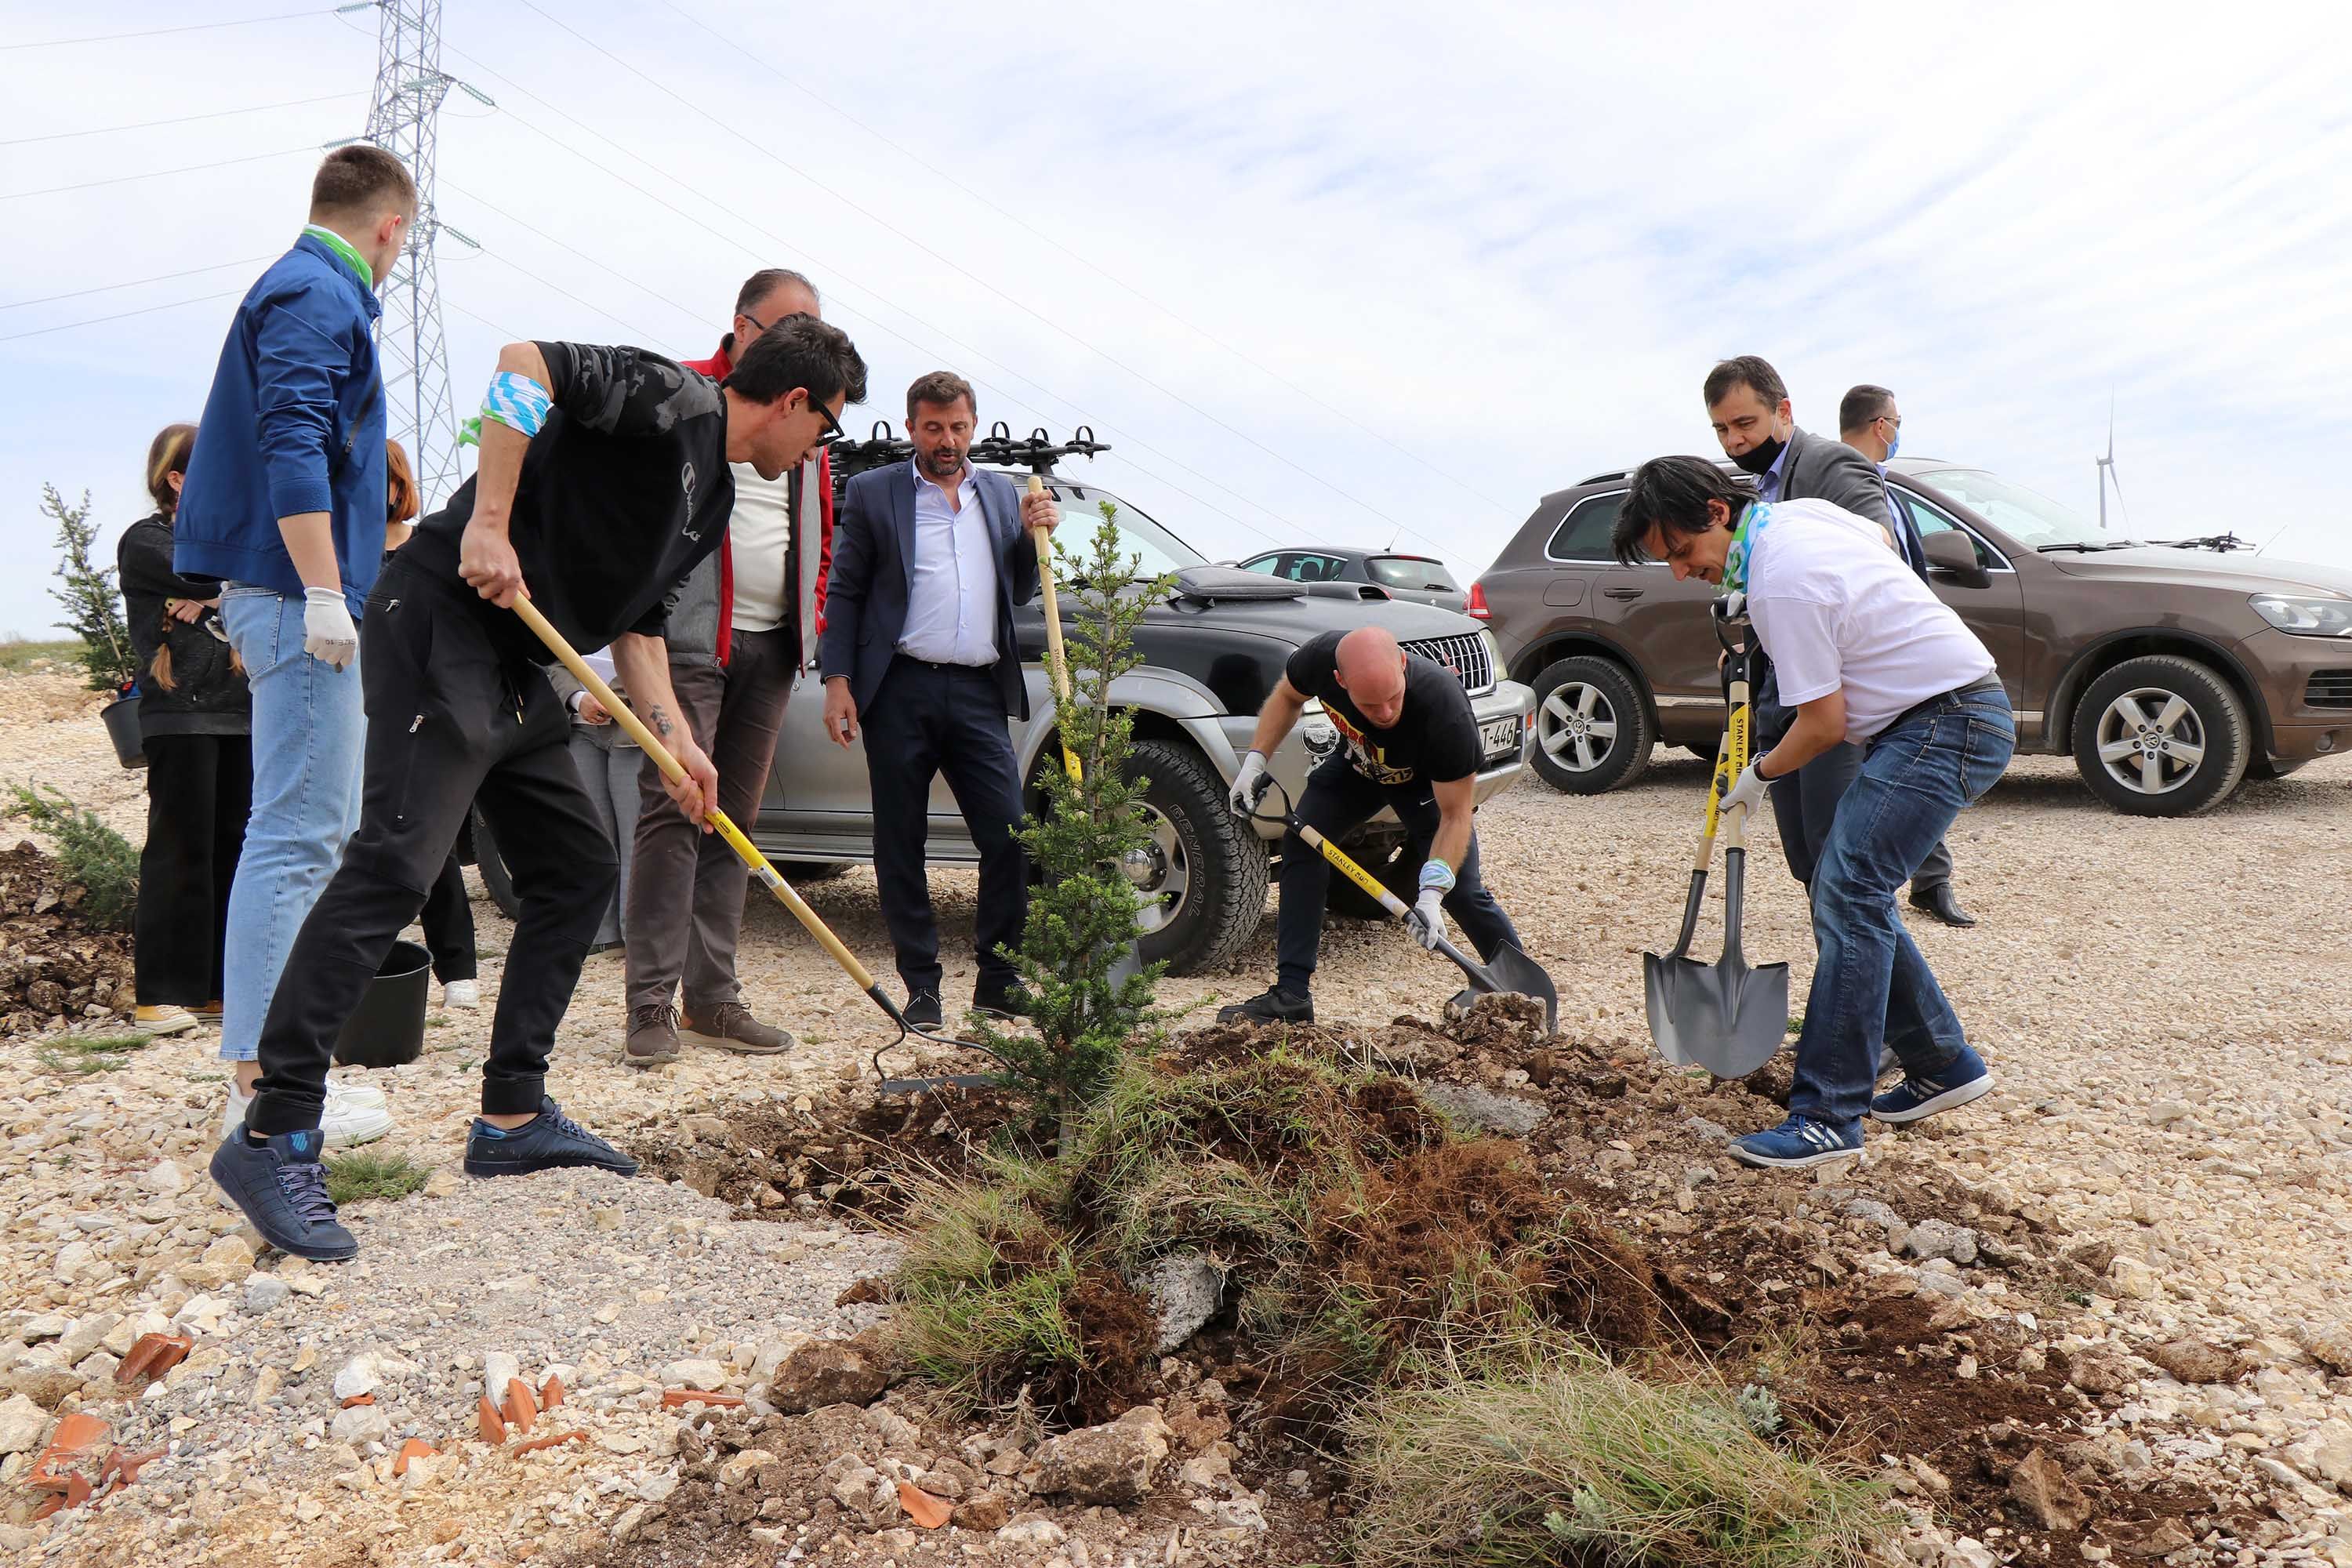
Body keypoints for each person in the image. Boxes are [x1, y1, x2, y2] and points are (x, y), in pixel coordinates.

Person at [209, 315, 869, 1261]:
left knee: (576, 866)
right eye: (826, 427)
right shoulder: (668, 397)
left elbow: (637, 631)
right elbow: (523, 365)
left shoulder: (711, 499)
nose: (819, 451)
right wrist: (487, 519)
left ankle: (512, 1113)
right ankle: (273, 1134)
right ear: (795, 400)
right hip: (444, 616)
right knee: (395, 865)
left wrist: (680, 742)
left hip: (522, 662)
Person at [1611, 456, 2009, 1169]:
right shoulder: (1798, 521)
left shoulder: (1781, 581)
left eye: (1681, 551)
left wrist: (1757, 776)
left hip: (1946, 720)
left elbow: (1823, 724)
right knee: (1852, 889)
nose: (1679, 570)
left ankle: (1828, 1115)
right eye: (1663, 560)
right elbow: (1877, 542)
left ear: (1715, 511)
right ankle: (1943, 1063)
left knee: (1847, 888)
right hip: (1943, 709)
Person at [174, 146, 416, 1148]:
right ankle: (266, 1091)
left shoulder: (304, 286)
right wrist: (324, 587)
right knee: (297, 835)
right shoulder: (319, 291)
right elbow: (292, 439)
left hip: (286, 590)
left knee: (300, 831)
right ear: (392, 229)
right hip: (294, 592)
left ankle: (276, 1078)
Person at [624, 268, 835, 1068]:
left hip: (771, 645)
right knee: (675, 810)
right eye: (791, 326)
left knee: (734, 827)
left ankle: (714, 999)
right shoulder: (688, 394)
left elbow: (816, 532)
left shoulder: (808, 411)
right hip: (686, 644)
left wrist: (808, 618)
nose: (803, 343)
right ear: (743, 326)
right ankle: (650, 1004)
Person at [818, 371, 1059, 1029]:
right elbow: (845, 591)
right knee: (902, 839)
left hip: (979, 688)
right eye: (933, 427)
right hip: (899, 685)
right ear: (911, 429)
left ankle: (998, 981)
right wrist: (836, 680)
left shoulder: (1004, 493)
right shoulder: (875, 491)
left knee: (1010, 834)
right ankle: (921, 987)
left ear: (973, 427)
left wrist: (1036, 535)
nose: (946, 440)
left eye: (957, 427)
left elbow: (1016, 588)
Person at [1701, 358, 1969, 928]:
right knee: (1808, 857)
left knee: (1837, 859)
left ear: (1784, 412)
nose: (1734, 440)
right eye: (1722, 430)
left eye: (1744, 423)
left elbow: (1873, 550)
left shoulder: (1832, 465)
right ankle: (1847, 977)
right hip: (1787, 683)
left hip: (1834, 693)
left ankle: (1865, 993)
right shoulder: (1764, 484)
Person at [1215, 626, 1526, 1025]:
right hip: (1358, 767)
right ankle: (1292, 995)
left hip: (1421, 783)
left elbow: (1455, 815)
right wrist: (1256, 759)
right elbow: (1288, 697)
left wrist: (1430, 893)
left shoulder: (1443, 708)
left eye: (1393, 698)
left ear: (1402, 664)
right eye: (1369, 705)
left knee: (1462, 893)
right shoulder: (1319, 659)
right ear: (1339, 681)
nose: (1385, 713)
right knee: (1302, 845)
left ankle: (1524, 995)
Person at [118, 423, 250, 1040]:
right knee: (179, 849)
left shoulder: (227, 539)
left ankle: (217, 991)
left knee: (235, 850)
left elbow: (256, 577)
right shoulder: (146, 540)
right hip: (181, 713)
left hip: (242, 712)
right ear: (177, 478)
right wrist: (225, 591)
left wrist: (220, 594)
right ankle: (161, 994)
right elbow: (217, 578)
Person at [1835, 383, 1975, 928]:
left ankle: (1927, 881)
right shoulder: (1847, 483)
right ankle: (1862, 890)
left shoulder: (1881, 484)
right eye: (1898, 420)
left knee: (1907, 765)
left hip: (1896, 652)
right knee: (1895, 770)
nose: (1899, 429)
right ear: (1880, 424)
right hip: (1871, 653)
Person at [384, 437, 482, 1010]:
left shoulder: (426, 550)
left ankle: (459, 968)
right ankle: (375, 969)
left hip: (424, 714)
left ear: (401, 487)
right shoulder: (341, 558)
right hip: (366, 712)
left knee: (434, 839)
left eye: (384, 480)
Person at [550, 652, 640, 953]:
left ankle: (637, 938)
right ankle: (602, 936)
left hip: (635, 726)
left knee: (635, 836)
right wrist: (577, 698)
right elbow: (550, 658)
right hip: (578, 727)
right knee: (593, 836)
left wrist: (610, 697)